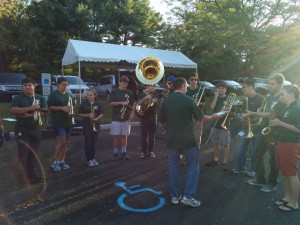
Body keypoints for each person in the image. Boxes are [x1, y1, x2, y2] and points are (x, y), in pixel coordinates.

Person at [158, 77, 219, 207]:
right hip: (188, 140)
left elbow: (161, 120)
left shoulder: (166, 101)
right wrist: (213, 117)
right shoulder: (189, 100)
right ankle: (188, 196)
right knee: (193, 166)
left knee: (173, 167)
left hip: (171, 139)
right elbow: (201, 118)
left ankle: (175, 196)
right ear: (183, 86)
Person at [10, 77, 47, 185]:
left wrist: (30, 115)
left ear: (34, 86)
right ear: (22, 88)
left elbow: (44, 111)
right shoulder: (18, 98)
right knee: (23, 154)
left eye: (29, 85)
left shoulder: (40, 98)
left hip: (36, 130)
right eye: (25, 85)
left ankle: (33, 176)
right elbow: (12, 110)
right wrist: (30, 108)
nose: (27, 87)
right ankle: (24, 178)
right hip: (22, 130)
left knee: (33, 154)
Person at [271, 85, 300, 211]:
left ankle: (294, 203)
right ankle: (287, 197)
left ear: (291, 95)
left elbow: (298, 129)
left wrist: (279, 123)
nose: (281, 95)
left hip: (291, 144)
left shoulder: (297, 108)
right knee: (285, 173)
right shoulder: (286, 107)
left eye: (284, 93)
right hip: (281, 142)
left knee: (292, 174)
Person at [231, 79, 264, 176]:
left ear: (251, 86)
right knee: (242, 148)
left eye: (244, 87)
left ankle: (253, 170)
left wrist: (250, 119)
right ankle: (240, 167)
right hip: (246, 128)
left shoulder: (260, 99)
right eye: (242, 87)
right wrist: (242, 118)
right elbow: (244, 112)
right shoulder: (246, 99)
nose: (242, 89)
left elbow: (261, 115)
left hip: (257, 129)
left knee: (254, 150)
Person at [205, 81, 234, 171]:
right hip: (215, 124)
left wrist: (225, 110)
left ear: (225, 89)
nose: (221, 90)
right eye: (219, 88)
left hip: (224, 124)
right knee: (216, 143)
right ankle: (216, 159)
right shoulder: (215, 98)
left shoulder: (229, 99)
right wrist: (216, 96)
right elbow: (212, 107)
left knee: (225, 143)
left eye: (222, 88)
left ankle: (225, 161)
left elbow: (233, 113)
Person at [47, 77, 73, 172]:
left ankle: (62, 160)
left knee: (65, 142)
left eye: (67, 85)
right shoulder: (54, 95)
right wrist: (62, 108)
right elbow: (50, 107)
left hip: (67, 121)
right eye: (63, 84)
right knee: (61, 141)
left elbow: (71, 106)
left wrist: (70, 108)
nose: (65, 86)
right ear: (58, 85)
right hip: (58, 122)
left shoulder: (68, 95)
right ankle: (55, 162)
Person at [109, 75, 135, 161]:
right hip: (116, 117)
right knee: (116, 136)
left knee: (124, 136)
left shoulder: (129, 92)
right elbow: (110, 103)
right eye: (123, 84)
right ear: (119, 83)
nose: (124, 85)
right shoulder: (114, 91)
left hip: (126, 117)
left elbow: (133, 104)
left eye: (126, 84)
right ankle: (115, 153)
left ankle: (124, 153)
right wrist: (121, 102)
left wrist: (132, 114)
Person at [78, 89, 104, 167]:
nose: (88, 96)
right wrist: (87, 115)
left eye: (90, 95)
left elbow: (102, 113)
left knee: (94, 144)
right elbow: (79, 114)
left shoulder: (98, 103)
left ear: (94, 96)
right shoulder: (84, 104)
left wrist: (97, 118)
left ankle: (92, 158)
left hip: (96, 125)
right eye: (88, 95)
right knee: (88, 143)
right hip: (86, 126)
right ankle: (88, 159)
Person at [137, 84, 160, 158]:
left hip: (153, 117)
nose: (151, 87)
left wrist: (155, 101)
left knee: (152, 136)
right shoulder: (142, 94)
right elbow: (138, 104)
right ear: (146, 87)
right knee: (144, 135)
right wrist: (145, 98)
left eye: (152, 86)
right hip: (144, 117)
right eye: (149, 86)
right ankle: (143, 151)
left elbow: (158, 106)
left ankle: (151, 151)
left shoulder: (155, 94)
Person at [186, 72, 206, 147]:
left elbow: (204, 104)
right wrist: (191, 102)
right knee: (187, 135)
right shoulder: (186, 90)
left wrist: (198, 102)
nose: (194, 81)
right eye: (192, 80)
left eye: (195, 79)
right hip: (187, 115)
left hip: (198, 115)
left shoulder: (201, 90)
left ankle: (197, 150)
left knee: (197, 136)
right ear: (188, 81)